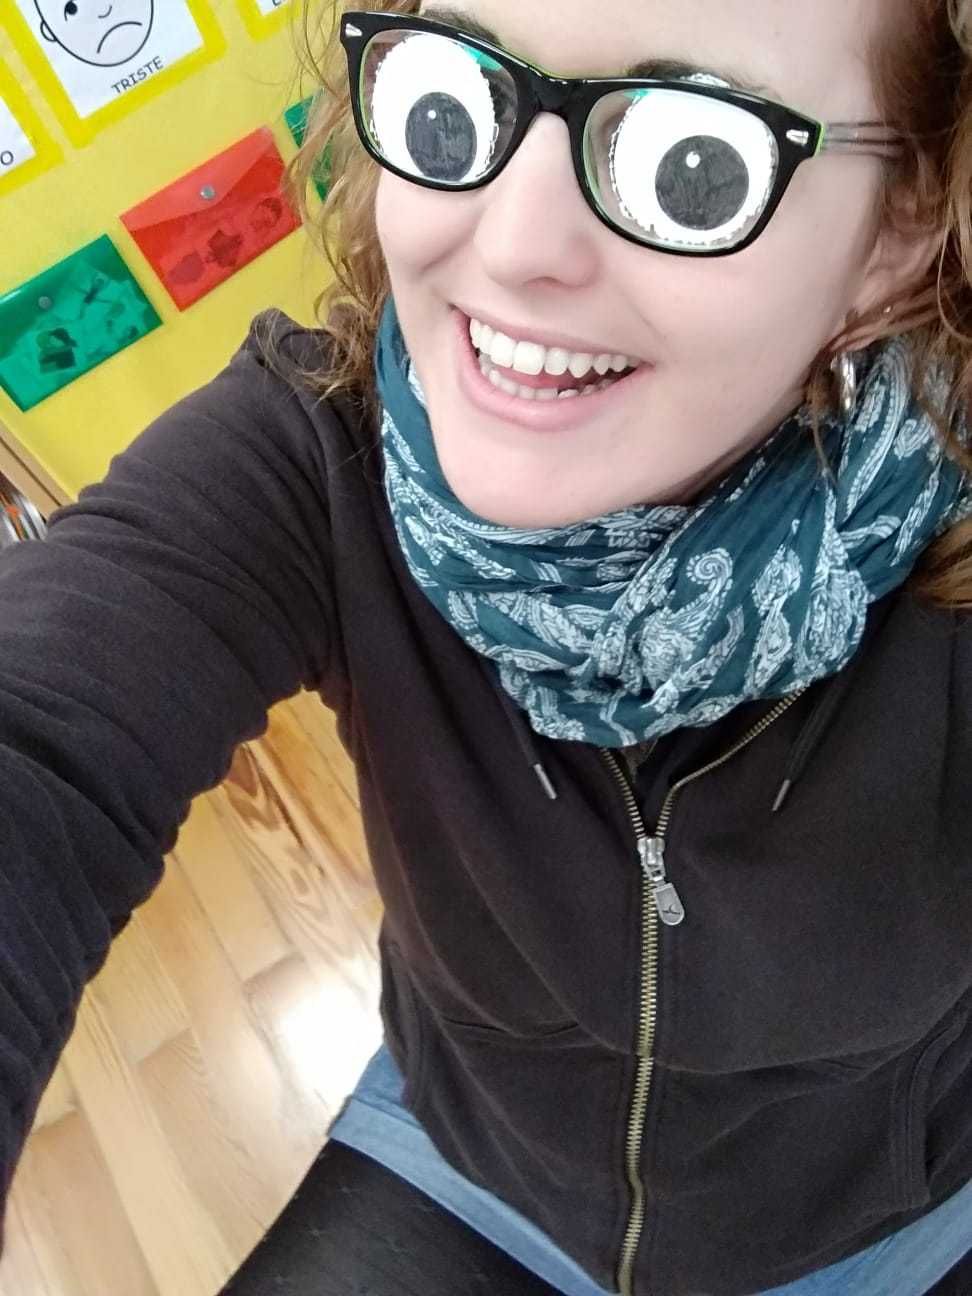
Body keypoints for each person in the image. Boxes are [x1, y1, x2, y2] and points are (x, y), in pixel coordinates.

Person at [3, 0, 972, 1293]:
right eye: (452, 102)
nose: (509, 245)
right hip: (476, 1168)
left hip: (895, 1224)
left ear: (900, 229)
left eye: (690, 162)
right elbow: (37, 744)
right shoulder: (319, 462)